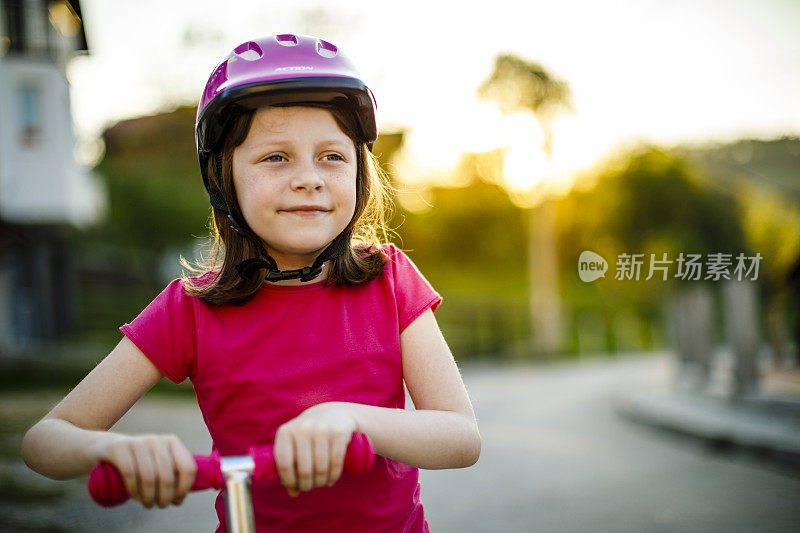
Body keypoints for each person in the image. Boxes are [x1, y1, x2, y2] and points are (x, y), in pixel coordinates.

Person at [21, 34, 480, 531]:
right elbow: (45, 441)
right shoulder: (190, 308)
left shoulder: (389, 280)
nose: (309, 178)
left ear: (359, 173)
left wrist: (352, 419)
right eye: (275, 157)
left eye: (332, 156)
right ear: (225, 179)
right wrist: (115, 448)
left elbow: (460, 437)